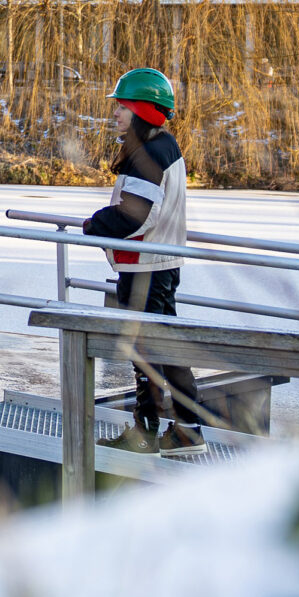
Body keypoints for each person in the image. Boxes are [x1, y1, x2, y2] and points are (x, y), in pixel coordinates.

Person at [81, 67, 206, 455]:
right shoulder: (161, 145)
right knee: (158, 348)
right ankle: (168, 428)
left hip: (147, 267)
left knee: (151, 349)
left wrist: (95, 224)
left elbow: (136, 214)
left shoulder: (149, 151)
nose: (115, 113)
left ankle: (166, 431)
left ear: (144, 110)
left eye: (122, 106)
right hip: (155, 264)